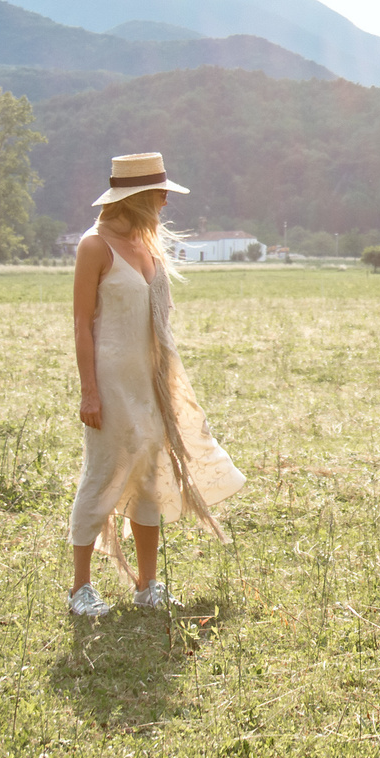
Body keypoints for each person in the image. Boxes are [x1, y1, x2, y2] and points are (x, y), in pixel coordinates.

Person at [67, 151, 245, 617]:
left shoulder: (147, 247)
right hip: (111, 379)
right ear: (139, 196)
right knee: (103, 474)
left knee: (151, 475)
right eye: (160, 192)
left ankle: (148, 584)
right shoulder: (94, 246)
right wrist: (89, 390)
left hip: (151, 381)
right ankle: (80, 589)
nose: (166, 199)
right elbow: (82, 324)